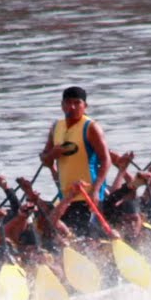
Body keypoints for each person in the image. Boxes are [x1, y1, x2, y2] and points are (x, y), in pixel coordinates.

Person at [40, 85, 112, 237]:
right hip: (66, 195)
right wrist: (53, 153)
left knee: (88, 239)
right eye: (67, 102)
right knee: (71, 237)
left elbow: (106, 161)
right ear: (62, 105)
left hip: (88, 194)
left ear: (85, 106)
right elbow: (45, 160)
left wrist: (97, 189)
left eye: (77, 103)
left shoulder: (91, 127)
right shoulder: (56, 127)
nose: (72, 107)